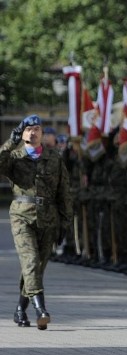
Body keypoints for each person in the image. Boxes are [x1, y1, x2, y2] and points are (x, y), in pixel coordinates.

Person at [0, 114, 72, 330]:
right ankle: (41, 309)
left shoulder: (54, 157)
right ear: (22, 134)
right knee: (30, 262)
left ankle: (20, 309)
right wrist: (10, 142)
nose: (34, 132)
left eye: (38, 128)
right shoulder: (14, 157)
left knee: (36, 268)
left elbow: (64, 192)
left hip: (48, 218)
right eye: (29, 129)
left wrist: (65, 222)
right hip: (22, 215)